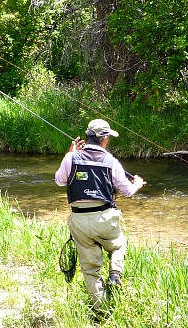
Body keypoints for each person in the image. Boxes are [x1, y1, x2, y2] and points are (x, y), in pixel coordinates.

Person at [55, 119, 146, 313]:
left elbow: (59, 181)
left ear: (88, 136)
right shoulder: (111, 161)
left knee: (90, 269)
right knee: (119, 244)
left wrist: (70, 153)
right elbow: (128, 191)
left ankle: (101, 311)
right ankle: (115, 273)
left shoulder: (71, 158)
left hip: (78, 220)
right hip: (104, 217)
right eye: (108, 138)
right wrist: (137, 182)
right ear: (104, 138)